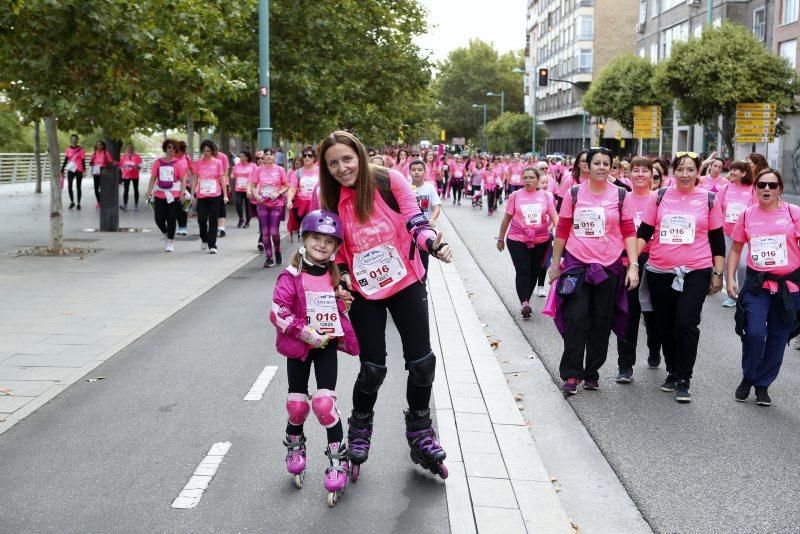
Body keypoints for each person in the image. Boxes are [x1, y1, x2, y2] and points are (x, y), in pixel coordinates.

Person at [318, 130, 453, 480]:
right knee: (373, 369)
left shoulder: (389, 181)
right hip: (365, 290)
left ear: (360, 155)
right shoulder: (330, 197)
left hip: (406, 279)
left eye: (347, 159)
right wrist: (343, 276)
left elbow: (415, 220)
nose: (342, 167)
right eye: (333, 163)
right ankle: (360, 428)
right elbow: (333, 246)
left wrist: (432, 245)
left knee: (422, 362)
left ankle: (421, 430)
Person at [270, 210, 359, 504]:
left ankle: (337, 461)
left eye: (329, 242)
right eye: (316, 238)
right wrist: (305, 332)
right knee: (297, 406)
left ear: (336, 248)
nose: (322, 245)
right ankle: (295, 445)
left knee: (323, 404)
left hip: (326, 348)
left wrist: (344, 305)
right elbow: (277, 312)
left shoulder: (336, 278)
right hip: (299, 348)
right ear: (304, 239)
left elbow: (337, 313)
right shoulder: (291, 275)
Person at [548, 147, 639, 395]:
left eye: (605, 164)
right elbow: (563, 230)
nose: (600, 167)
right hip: (577, 265)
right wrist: (555, 265)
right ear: (586, 166)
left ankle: (592, 372)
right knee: (576, 318)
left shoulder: (621, 195)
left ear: (612, 167)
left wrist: (633, 265)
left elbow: (630, 231)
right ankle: (571, 375)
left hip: (608, 267)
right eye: (596, 163)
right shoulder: (574, 193)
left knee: (601, 321)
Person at [635, 152, 725, 402]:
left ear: (698, 172)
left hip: (696, 270)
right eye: (680, 169)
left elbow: (717, 240)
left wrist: (718, 274)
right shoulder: (659, 196)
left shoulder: (709, 199)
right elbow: (644, 231)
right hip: (660, 271)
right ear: (672, 172)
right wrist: (633, 262)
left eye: (690, 169)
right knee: (665, 324)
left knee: (686, 322)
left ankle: (684, 377)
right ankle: (672, 370)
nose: (685, 174)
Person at [728, 168, 800, 407]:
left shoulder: (793, 213)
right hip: (757, 285)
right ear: (755, 188)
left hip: (788, 287)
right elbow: (736, 248)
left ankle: (763, 385)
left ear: (780, 188)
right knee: (755, 333)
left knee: (778, 339)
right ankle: (748, 376)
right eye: (761, 185)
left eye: (771, 185)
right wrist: (730, 279)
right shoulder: (748, 215)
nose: (766, 189)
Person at [615, 157, 662, 383]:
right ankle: (625, 366)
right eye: (636, 170)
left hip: (656, 262)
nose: (640, 174)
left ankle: (655, 348)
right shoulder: (622, 198)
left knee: (653, 315)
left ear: (652, 174)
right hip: (627, 263)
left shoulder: (660, 199)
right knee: (628, 314)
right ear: (629, 174)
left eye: (645, 170)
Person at [497, 167, 558, 318]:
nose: (528, 180)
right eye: (525, 177)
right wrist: (500, 238)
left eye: (531, 177)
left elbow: (554, 215)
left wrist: (562, 234)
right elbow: (507, 218)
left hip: (541, 240)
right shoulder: (515, 195)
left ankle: (527, 299)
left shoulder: (545, 196)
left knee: (534, 272)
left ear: (538, 179)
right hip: (517, 239)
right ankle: (524, 302)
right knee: (523, 270)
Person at [718, 161, 755, 307]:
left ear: (744, 173)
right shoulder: (725, 188)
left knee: (742, 265)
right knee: (728, 263)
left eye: (735, 170)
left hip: (746, 235)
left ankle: (744, 293)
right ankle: (732, 295)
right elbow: (716, 208)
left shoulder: (752, 189)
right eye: (731, 169)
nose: (731, 172)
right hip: (727, 232)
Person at [248, 147, 290, 267]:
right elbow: (253, 185)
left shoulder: (280, 169)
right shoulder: (259, 170)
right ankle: (269, 258)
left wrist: (278, 193)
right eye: (266, 154)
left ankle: (277, 251)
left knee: (274, 231)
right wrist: (257, 196)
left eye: (271, 154)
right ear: (263, 157)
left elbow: (287, 185)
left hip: (276, 204)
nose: (268, 156)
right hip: (262, 204)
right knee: (265, 232)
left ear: (274, 157)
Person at [145, 139, 187, 252]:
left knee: (171, 218)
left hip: (174, 196)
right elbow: (153, 177)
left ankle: (170, 242)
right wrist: (149, 191)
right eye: (169, 147)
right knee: (159, 218)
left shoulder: (178, 163)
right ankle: (166, 233)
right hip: (160, 194)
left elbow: (183, 179)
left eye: (174, 148)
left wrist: (182, 194)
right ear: (165, 148)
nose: (171, 149)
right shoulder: (158, 162)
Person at [192, 140, 228, 254]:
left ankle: (212, 245)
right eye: (204, 151)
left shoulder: (217, 162)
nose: (206, 153)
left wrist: (225, 195)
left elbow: (222, 179)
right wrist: (193, 193)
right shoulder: (198, 163)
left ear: (212, 151)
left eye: (208, 150)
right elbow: (194, 178)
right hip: (202, 195)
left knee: (213, 220)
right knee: (201, 219)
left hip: (215, 195)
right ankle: (204, 238)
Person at [409, 158, 442, 273]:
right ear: (409, 172)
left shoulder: (430, 188)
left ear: (424, 172)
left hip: (424, 231)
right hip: (409, 231)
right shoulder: (405, 187)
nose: (416, 172)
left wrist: (432, 219)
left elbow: (437, 206)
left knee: (423, 261)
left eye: (419, 170)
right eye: (413, 170)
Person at [286, 147, 321, 239]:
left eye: (309, 155)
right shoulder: (298, 172)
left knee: (314, 230)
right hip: (301, 206)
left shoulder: (321, 171)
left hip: (317, 205)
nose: (307, 157)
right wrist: (289, 200)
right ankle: (303, 249)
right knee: (303, 231)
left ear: (314, 158)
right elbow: (293, 189)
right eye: (304, 155)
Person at [232, 150, 257, 229]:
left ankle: (247, 221)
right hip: (239, 188)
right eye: (240, 156)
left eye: (242, 156)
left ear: (247, 157)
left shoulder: (253, 165)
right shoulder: (237, 165)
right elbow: (232, 174)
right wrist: (233, 176)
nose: (241, 158)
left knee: (248, 206)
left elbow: (257, 175)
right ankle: (241, 218)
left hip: (248, 189)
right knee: (238, 203)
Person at [61, 134, 86, 210]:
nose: (74, 140)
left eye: (75, 139)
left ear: (77, 140)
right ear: (70, 140)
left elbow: (83, 160)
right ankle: (72, 202)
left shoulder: (81, 150)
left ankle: (78, 203)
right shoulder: (68, 149)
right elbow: (66, 160)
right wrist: (62, 169)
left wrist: (84, 170)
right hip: (71, 169)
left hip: (79, 169)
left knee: (78, 186)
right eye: (72, 139)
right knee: (69, 186)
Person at [175, 141, 193, 236]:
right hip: (175, 186)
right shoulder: (172, 158)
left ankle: (184, 228)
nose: (182, 153)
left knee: (184, 207)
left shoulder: (186, 157)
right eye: (181, 151)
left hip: (186, 185)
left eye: (184, 151)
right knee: (178, 207)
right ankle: (180, 227)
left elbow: (192, 169)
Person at [88, 140, 114, 208]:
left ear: (103, 146)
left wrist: (107, 164)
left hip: (103, 172)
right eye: (97, 144)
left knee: (103, 189)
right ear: (96, 146)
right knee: (96, 188)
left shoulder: (106, 153)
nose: (99, 146)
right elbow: (90, 163)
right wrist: (91, 161)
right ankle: (99, 202)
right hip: (96, 173)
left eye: (100, 144)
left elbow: (111, 162)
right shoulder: (94, 154)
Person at [118, 143, 142, 211]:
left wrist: (136, 167)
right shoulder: (124, 156)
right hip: (126, 175)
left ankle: (136, 205)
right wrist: (124, 167)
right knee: (126, 190)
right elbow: (120, 165)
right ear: (127, 148)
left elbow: (140, 167)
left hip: (135, 175)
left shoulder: (137, 156)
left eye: (131, 147)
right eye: (128, 147)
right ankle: (125, 205)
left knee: (136, 189)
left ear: (133, 148)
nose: (130, 149)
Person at [213, 145, 231, 237]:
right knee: (213, 206)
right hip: (211, 185)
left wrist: (222, 180)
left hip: (222, 183)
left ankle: (222, 227)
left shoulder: (223, 157)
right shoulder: (206, 157)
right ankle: (215, 226)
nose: (215, 152)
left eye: (216, 150)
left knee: (221, 204)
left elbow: (226, 171)